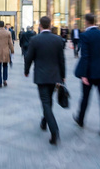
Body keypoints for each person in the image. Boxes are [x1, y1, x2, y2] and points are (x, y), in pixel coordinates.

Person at [24, 17, 65, 145]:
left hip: (41, 76)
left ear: (40, 25)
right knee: (49, 100)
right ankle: (44, 121)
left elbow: (29, 57)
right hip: (54, 76)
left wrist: (26, 70)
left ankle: (54, 131)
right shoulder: (58, 39)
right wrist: (63, 76)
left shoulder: (35, 39)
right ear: (50, 25)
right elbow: (61, 59)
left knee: (46, 102)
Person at [74, 14, 100, 140]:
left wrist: (83, 74)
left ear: (86, 22)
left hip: (90, 73)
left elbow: (85, 56)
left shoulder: (85, 35)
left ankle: (80, 120)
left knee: (85, 98)